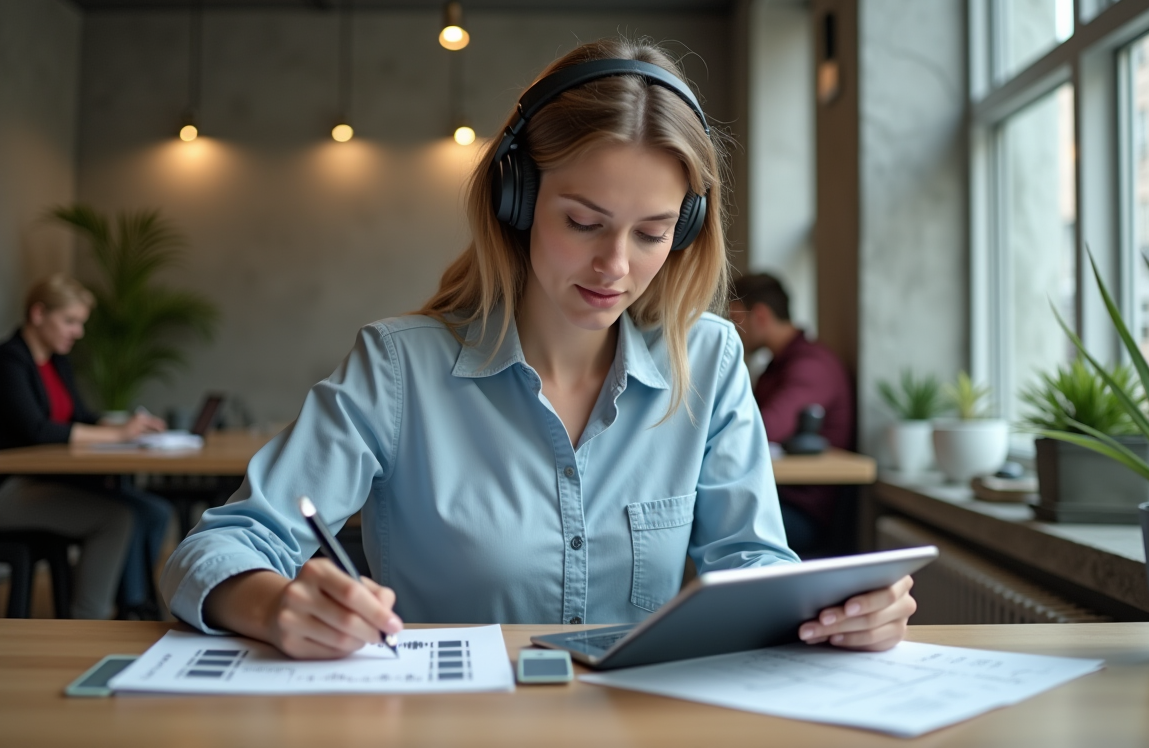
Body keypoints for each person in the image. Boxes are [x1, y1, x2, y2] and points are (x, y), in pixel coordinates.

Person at [163, 37, 915, 659]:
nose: (616, 266)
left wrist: (833, 615)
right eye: (584, 222)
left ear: (683, 232)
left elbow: (752, 564)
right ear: (515, 202)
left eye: (652, 233)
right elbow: (223, 544)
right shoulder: (399, 368)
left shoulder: (709, 360)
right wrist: (273, 606)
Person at [0, 274, 172, 619]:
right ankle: (90, 620)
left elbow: (81, 417)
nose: (77, 332)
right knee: (117, 518)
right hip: (12, 489)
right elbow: (39, 431)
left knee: (154, 511)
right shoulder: (9, 362)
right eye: (70, 321)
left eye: (80, 323)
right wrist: (118, 438)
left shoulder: (55, 361)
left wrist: (129, 427)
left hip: (51, 482)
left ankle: (135, 605)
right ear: (38, 314)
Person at [728, 273, 856, 554]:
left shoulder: (811, 366)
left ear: (760, 315)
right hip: (774, 495)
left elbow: (763, 428)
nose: (730, 329)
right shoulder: (777, 367)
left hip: (803, 512)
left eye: (735, 318)